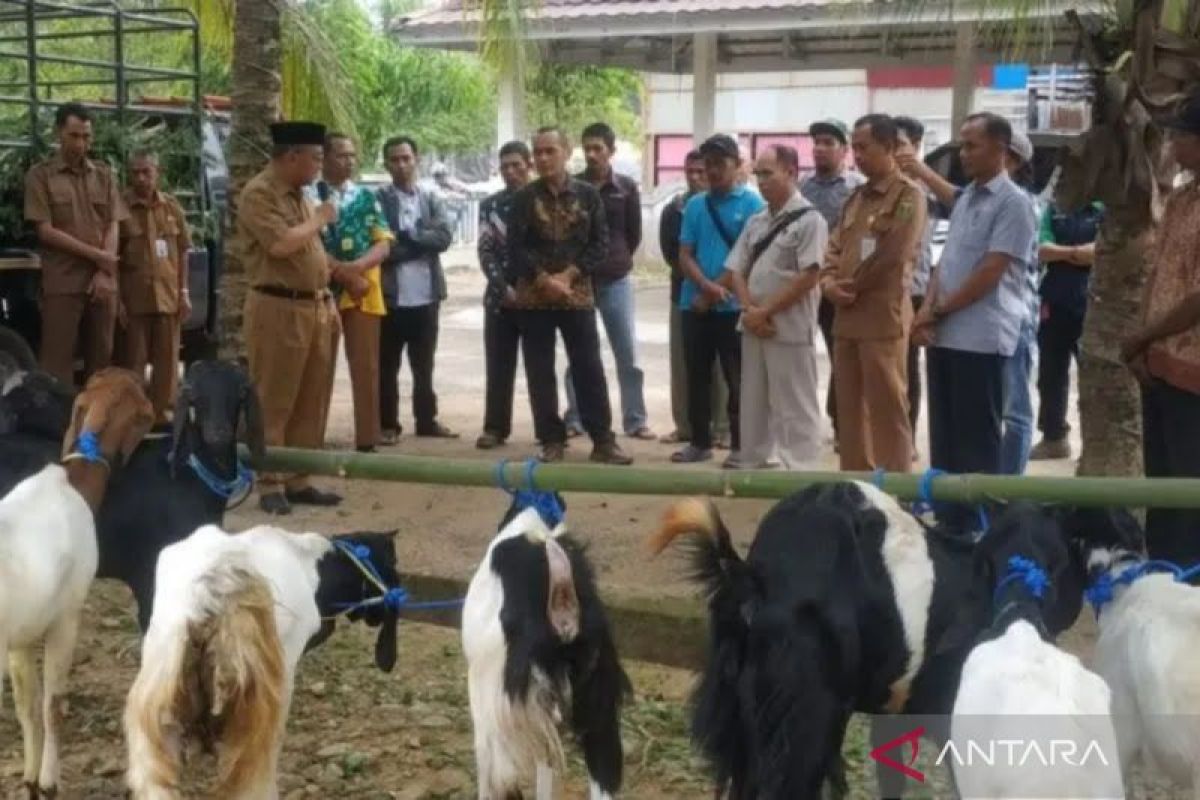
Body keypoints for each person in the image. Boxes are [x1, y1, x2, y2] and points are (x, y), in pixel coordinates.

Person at [911, 112, 1036, 530]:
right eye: (962, 145)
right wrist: (928, 311)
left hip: (981, 340)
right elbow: (945, 263)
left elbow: (990, 271)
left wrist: (937, 310)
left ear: (1002, 150)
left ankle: (982, 531)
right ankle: (951, 525)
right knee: (944, 441)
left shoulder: (1015, 204)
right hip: (946, 335)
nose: (963, 154)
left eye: (972, 145)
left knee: (977, 445)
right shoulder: (965, 199)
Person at [505, 126, 632, 465]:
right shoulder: (523, 198)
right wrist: (544, 279)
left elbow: (600, 244)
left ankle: (603, 440)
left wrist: (568, 276)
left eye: (551, 151)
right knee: (539, 369)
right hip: (534, 298)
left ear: (566, 151)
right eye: (539, 152)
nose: (544, 158)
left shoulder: (588, 195)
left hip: (577, 296)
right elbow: (515, 248)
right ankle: (550, 439)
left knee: (589, 366)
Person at [237, 121, 342, 515]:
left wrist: (327, 298)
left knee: (310, 399)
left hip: (314, 306)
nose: (320, 166)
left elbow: (310, 254)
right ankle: (270, 481)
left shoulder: (300, 195)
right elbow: (280, 245)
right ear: (292, 156)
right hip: (277, 307)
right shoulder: (259, 193)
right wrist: (319, 219)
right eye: (315, 158)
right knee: (274, 399)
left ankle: (300, 477)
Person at [1120, 90, 1200, 567]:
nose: (1171, 145)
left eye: (1181, 136)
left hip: (1193, 373)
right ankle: (1164, 575)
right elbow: (1160, 276)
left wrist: (1142, 337)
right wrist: (1141, 345)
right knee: (1164, 486)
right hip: (1162, 365)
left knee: (1191, 489)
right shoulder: (1182, 199)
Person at [822, 115, 927, 472]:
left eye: (864, 148)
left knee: (887, 410)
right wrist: (829, 284)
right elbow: (833, 247)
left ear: (890, 148)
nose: (857, 155)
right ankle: (858, 488)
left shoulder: (908, 196)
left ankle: (898, 492)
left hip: (882, 319)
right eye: (854, 148)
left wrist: (851, 286)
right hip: (846, 319)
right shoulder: (855, 197)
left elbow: (894, 253)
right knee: (849, 412)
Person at [727, 145, 828, 469]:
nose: (761, 181)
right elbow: (736, 270)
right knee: (753, 401)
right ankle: (755, 463)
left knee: (795, 403)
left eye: (768, 173)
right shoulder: (757, 221)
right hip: (755, 325)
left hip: (788, 327)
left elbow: (809, 275)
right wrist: (750, 311)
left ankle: (801, 469)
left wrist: (764, 311)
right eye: (758, 174)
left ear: (792, 173)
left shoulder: (810, 220)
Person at [672, 134, 765, 467]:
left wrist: (715, 291)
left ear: (737, 166)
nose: (713, 171)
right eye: (708, 164)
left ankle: (740, 444)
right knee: (696, 375)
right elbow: (684, 253)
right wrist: (703, 287)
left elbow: (748, 254)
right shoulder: (695, 204)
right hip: (693, 303)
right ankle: (699, 441)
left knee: (736, 376)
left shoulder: (753, 205)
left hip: (731, 306)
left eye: (720, 163)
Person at [563, 122, 654, 440]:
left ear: (611, 151)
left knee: (627, 353)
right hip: (579, 282)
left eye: (597, 148)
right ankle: (575, 418)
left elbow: (632, 234)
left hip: (616, 280)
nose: (591, 154)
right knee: (580, 353)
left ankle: (636, 419)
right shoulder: (571, 187)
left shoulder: (626, 187)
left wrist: (615, 260)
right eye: (586, 148)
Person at [24, 102, 126, 385]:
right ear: (59, 133)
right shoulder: (40, 176)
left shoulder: (104, 174)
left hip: (102, 284)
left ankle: (91, 430)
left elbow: (114, 222)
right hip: (63, 283)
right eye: (74, 135)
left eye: (86, 136)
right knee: (56, 368)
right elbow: (45, 230)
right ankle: (57, 428)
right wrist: (99, 256)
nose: (81, 143)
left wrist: (106, 271)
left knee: (101, 367)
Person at [316, 133, 393, 453]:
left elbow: (383, 242)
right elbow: (310, 246)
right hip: (321, 290)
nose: (348, 161)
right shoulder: (309, 195)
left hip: (362, 291)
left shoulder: (365, 197)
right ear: (324, 158)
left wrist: (356, 269)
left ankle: (367, 438)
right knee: (320, 367)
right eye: (341, 155)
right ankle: (311, 438)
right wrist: (340, 273)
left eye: (352, 155)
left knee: (366, 365)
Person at [376, 135, 456, 444]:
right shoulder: (379, 200)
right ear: (386, 165)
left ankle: (426, 421)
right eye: (394, 159)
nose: (401, 164)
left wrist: (406, 236)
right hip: (391, 298)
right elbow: (381, 246)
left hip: (427, 297)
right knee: (387, 367)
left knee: (424, 366)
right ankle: (388, 425)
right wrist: (420, 243)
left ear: (417, 159)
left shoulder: (431, 197)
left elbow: (445, 238)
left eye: (406, 158)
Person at [658, 150, 730, 448]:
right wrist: (699, 285)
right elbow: (673, 255)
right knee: (684, 365)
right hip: (685, 296)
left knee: (723, 369)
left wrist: (714, 288)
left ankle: (723, 427)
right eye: (691, 171)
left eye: (702, 170)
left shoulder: (736, 204)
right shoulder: (674, 209)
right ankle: (686, 426)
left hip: (726, 295)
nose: (696, 177)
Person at [801, 118, 866, 443]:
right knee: (798, 356)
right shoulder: (801, 188)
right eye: (816, 142)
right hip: (802, 287)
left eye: (828, 142)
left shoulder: (857, 188)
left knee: (842, 357)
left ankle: (843, 426)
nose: (820, 148)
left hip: (838, 286)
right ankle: (800, 426)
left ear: (844, 150)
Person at [115, 151, 191, 425]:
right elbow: (112, 256)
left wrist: (184, 293)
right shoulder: (121, 207)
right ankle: (134, 416)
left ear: (157, 172)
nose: (141, 178)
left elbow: (183, 252)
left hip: (168, 297)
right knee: (134, 360)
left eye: (146, 172)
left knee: (168, 362)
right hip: (135, 299)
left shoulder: (171, 208)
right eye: (135, 172)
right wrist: (118, 302)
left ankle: (163, 415)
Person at [1031, 198, 1102, 460]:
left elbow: (1102, 251)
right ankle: (1054, 437)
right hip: (1055, 301)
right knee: (1050, 375)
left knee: (1092, 377)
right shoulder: (1055, 208)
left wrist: (1062, 252)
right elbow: (1041, 249)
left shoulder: (1102, 209)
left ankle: (1095, 446)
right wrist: (1076, 253)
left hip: (1092, 302)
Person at [475, 140, 533, 450]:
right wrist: (504, 288)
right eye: (505, 167)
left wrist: (528, 288)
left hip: (537, 298)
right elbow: (485, 251)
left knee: (540, 367)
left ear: (529, 166)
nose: (510, 172)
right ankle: (495, 428)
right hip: (499, 299)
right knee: (498, 365)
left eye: (516, 165)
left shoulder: (541, 201)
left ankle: (548, 432)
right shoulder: (490, 205)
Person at [998, 131, 1042, 475]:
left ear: (1011, 160)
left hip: (1015, 320)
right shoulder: (983, 200)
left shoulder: (1022, 203)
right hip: (988, 323)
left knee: (1015, 410)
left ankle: (1009, 488)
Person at [893, 115, 936, 453]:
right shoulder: (879, 190)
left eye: (900, 146)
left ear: (917, 147)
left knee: (907, 368)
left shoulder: (925, 193)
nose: (894, 154)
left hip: (915, 291)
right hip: (879, 292)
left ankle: (906, 438)